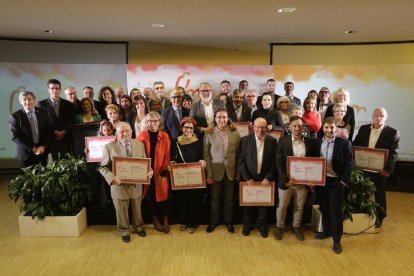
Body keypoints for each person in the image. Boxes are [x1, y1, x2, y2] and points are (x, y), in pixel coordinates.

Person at [99, 122, 152, 243]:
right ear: (116, 134)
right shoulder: (109, 147)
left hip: (136, 185)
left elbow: (144, 163)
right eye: (121, 131)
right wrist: (112, 178)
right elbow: (103, 168)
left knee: (137, 209)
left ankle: (138, 227)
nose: (125, 133)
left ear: (132, 131)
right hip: (119, 185)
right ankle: (124, 230)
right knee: (121, 211)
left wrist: (149, 172)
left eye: (127, 130)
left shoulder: (139, 145)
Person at [353, 107, 400, 227]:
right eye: (376, 115)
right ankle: (360, 214)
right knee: (361, 192)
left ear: (386, 118)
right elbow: (355, 145)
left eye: (382, 116)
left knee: (379, 195)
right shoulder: (363, 129)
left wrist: (387, 170)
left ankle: (380, 217)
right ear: (372, 116)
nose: (379, 118)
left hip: (381, 170)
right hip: (363, 168)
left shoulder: (392, 132)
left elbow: (394, 153)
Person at [275, 115, 318, 241]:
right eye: (294, 125)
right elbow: (279, 162)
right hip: (287, 182)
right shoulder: (282, 141)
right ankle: (279, 226)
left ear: (303, 127)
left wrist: (312, 179)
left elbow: (314, 163)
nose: (297, 128)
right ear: (289, 127)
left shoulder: (310, 143)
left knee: (299, 206)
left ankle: (296, 226)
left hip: (302, 183)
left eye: (300, 125)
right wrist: (285, 179)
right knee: (282, 205)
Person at [315, 116, 353, 254]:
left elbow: (349, 163)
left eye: (332, 127)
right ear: (323, 128)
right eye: (326, 127)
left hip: (336, 182)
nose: (329, 130)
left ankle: (337, 241)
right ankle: (326, 232)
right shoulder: (317, 142)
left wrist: (343, 181)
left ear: (336, 129)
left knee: (335, 211)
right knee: (324, 208)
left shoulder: (344, 144)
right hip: (321, 181)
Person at [238, 117, 278, 238]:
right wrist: (246, 177)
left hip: (265, 180)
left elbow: (273, 162)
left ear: (266, 128)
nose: (260, 129)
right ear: (253, 128)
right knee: (247, 205)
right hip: (248, 179)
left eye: (263, 127)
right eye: (257, 127)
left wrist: (268, 177)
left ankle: (262, 226)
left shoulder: (272, 141)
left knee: (263, 205)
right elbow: (241, 161)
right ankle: (247, 225)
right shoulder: (244, 141)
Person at [204, 108, 240, 233]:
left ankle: (228, 222)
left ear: (228, 118)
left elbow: (239, 153)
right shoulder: (209, 133)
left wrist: (238, 171)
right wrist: (208, 173)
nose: (222, 120)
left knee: (229, 199)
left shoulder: (235, 132)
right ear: (215, 119)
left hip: (231, 170)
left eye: (224, 117)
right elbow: (206, 155)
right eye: (219, 117)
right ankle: (214, 222)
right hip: (215, 171)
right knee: (214, 199)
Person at [137, 112, 171, 233]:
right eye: (150, 121)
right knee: (151, 197)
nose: (153, 123)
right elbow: (137, 154)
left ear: (159, 122)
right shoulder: (141, 136)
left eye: (155, 121)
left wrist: (163, 173)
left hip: (161, 172)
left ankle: (166, 220)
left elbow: (167, 156)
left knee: (164, 197)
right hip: (147, 173)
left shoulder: (165, 136)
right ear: (146, 123)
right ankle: (155, 219)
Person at [170, 117, 205, 234]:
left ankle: (193, 223)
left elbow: (201, 157)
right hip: (180, 177)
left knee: (193, 200)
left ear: (194, 129)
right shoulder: (175, 141)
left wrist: (202, 162)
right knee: (182, 200)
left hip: (194, 176)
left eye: (191, 127)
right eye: (186, 127)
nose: (188, 129)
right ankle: (184, 222)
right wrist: (172, 164)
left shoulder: (198, 141)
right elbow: (172, 158)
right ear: (181, 128)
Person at [9, 91, 52, 167]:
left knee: (43, 177)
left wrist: (43, 146)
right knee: (27, 178)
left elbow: (49, 130)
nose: (27, 101)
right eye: (24, 99)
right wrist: (33, 148)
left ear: (34, 100)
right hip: (26, 154)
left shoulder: (44, 112)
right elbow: (15, 136)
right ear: (20, 102)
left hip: (42, 152)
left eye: (29, 99)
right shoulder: (15, 116)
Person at [37, 79, 75, 161]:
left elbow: (71, 121)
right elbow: (41, 123)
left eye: (57, 88)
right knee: (53, 165)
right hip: (50, 139)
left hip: (65, 138)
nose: (55, 90)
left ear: (60, 90)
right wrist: (54, 132)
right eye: (52, 88)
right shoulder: (41, 104)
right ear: (48, 90)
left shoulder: (68, 104)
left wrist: (64, 132)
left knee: (66, 164)